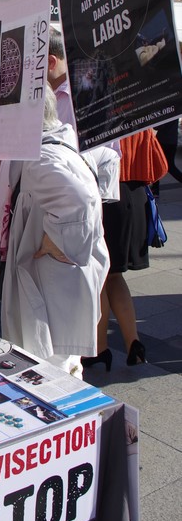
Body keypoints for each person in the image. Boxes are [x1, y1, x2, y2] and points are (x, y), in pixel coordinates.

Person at [1, 87, 109, 377]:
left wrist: (56, 241)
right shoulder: (62, 141)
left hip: (52, 284)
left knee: (50, 371)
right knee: (61, 365)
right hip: (62, 282)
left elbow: (79, 202)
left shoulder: (42, 157)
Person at [85, 128, 168, 370]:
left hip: (107, 197)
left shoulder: (101, 120)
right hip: (136, 197)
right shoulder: (141, 120)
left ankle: (98, 349)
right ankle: (134, 344)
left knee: (99, 275)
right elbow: (160, 166)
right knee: (114, 275)